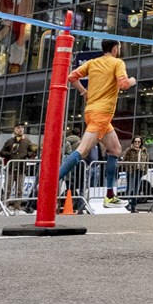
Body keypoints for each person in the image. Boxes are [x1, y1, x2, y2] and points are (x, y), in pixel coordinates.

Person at [55, 38, 137, 210]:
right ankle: (51, 183)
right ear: (115, 49)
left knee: (115, 149)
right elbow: (123, 84)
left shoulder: (93, 62)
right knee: (82, 150)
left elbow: (72, 77)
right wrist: (132, 80)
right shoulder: (117, 62)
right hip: (101, 114)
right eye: (119, 48)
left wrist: (83, 91)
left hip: (93, 112)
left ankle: (110, 196)